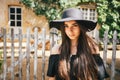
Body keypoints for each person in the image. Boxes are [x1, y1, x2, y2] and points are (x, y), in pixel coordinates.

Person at [47, 8, 109, 80]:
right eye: (66, 26)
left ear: (81, 27)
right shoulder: (56, 50)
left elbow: (99, 77)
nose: (70, 30)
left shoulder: (92, 49)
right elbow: (52, 78)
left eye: (75, 25)